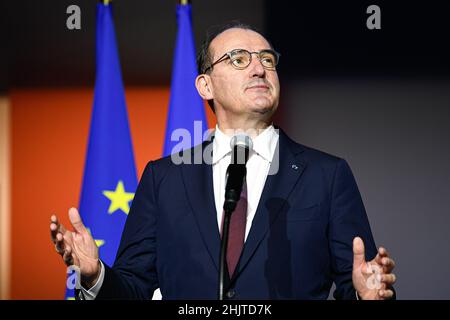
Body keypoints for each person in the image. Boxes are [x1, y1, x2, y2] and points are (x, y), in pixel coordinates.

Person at [50, 22, 396, 300]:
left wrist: (368, 296)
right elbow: (134, 288)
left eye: (267, 59)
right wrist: (96, 277)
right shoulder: (164, 178)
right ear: (205, 86)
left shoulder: (327, 174)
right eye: (239, 59)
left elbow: (356, 282)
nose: (259, 68)